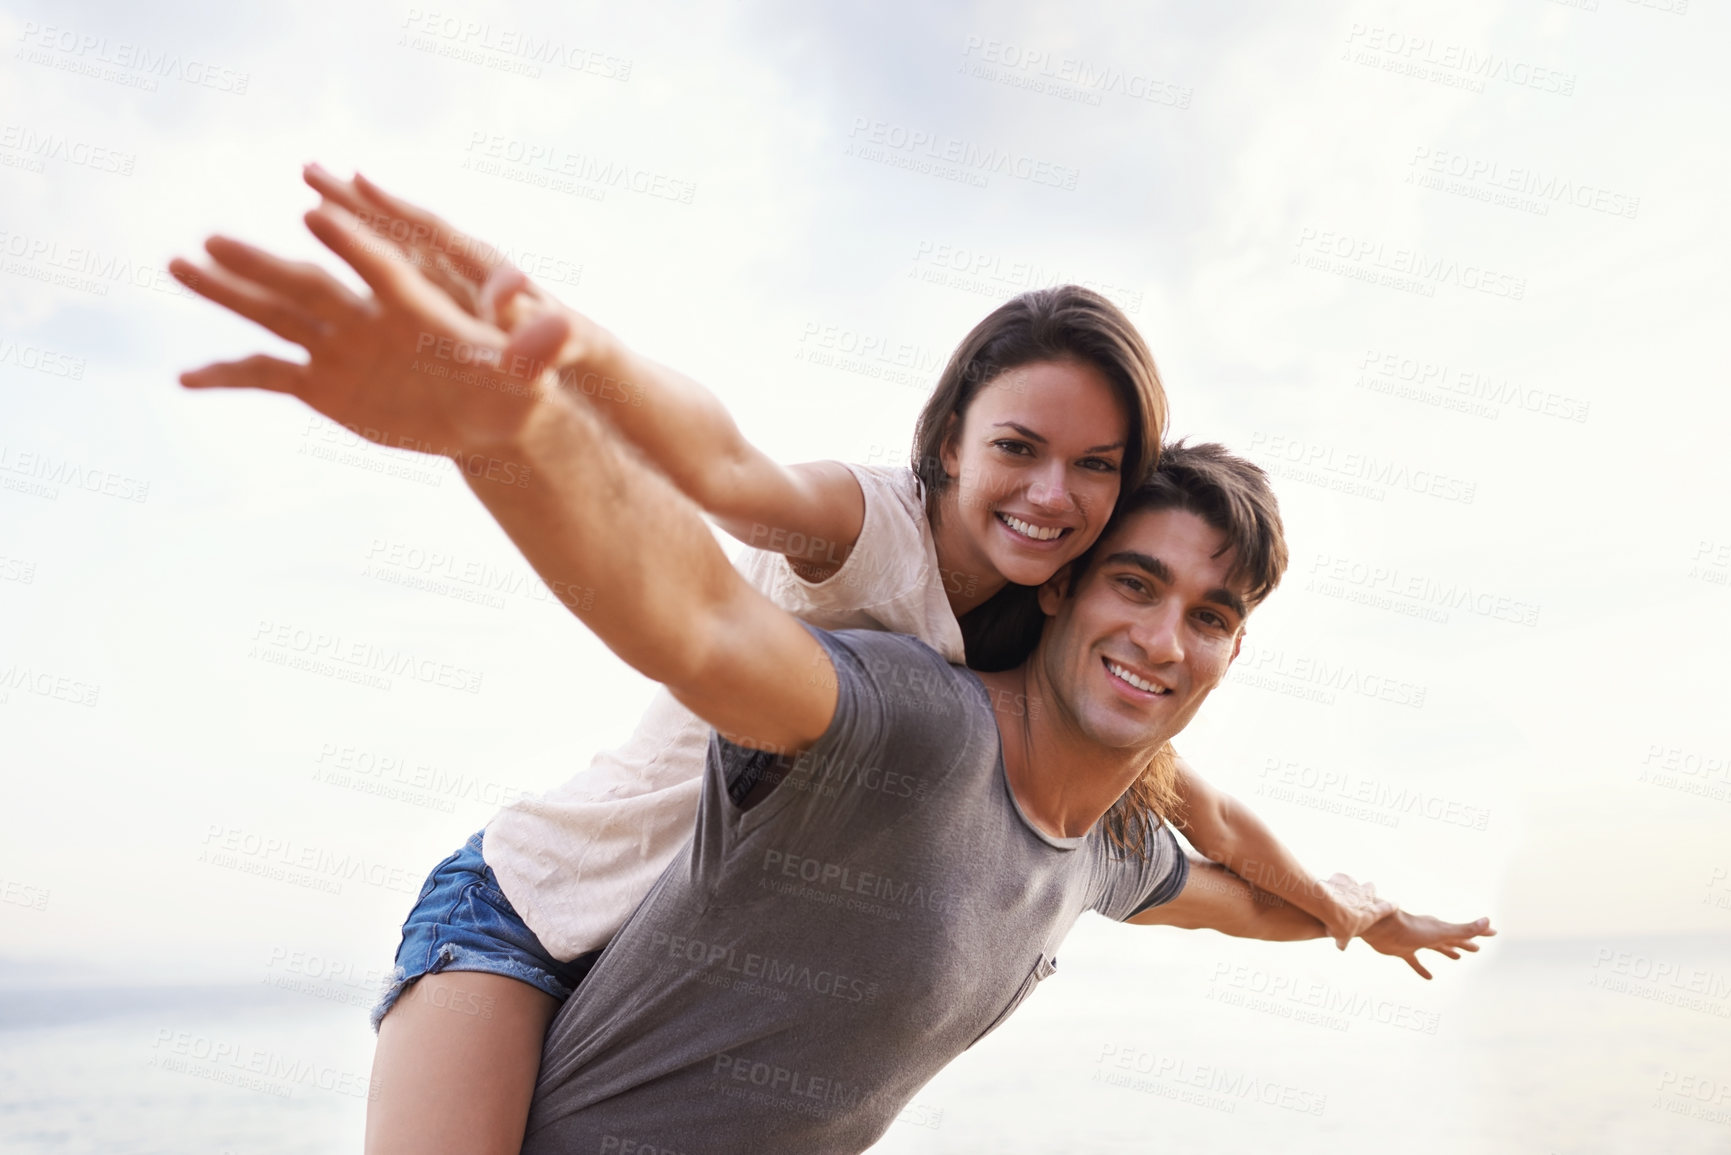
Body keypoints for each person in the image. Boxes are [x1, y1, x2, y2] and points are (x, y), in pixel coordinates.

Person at [168, 178, 1477, 1153]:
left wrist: (1353, 914)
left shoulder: (1037, 671)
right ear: (950, 441)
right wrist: (553, 367)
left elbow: (1191, 804)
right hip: (527, 906)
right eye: (1019, 447)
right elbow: (717, 484)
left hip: (679, 939)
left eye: (1097, 471)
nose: (1052, 495)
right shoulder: (869, 533)